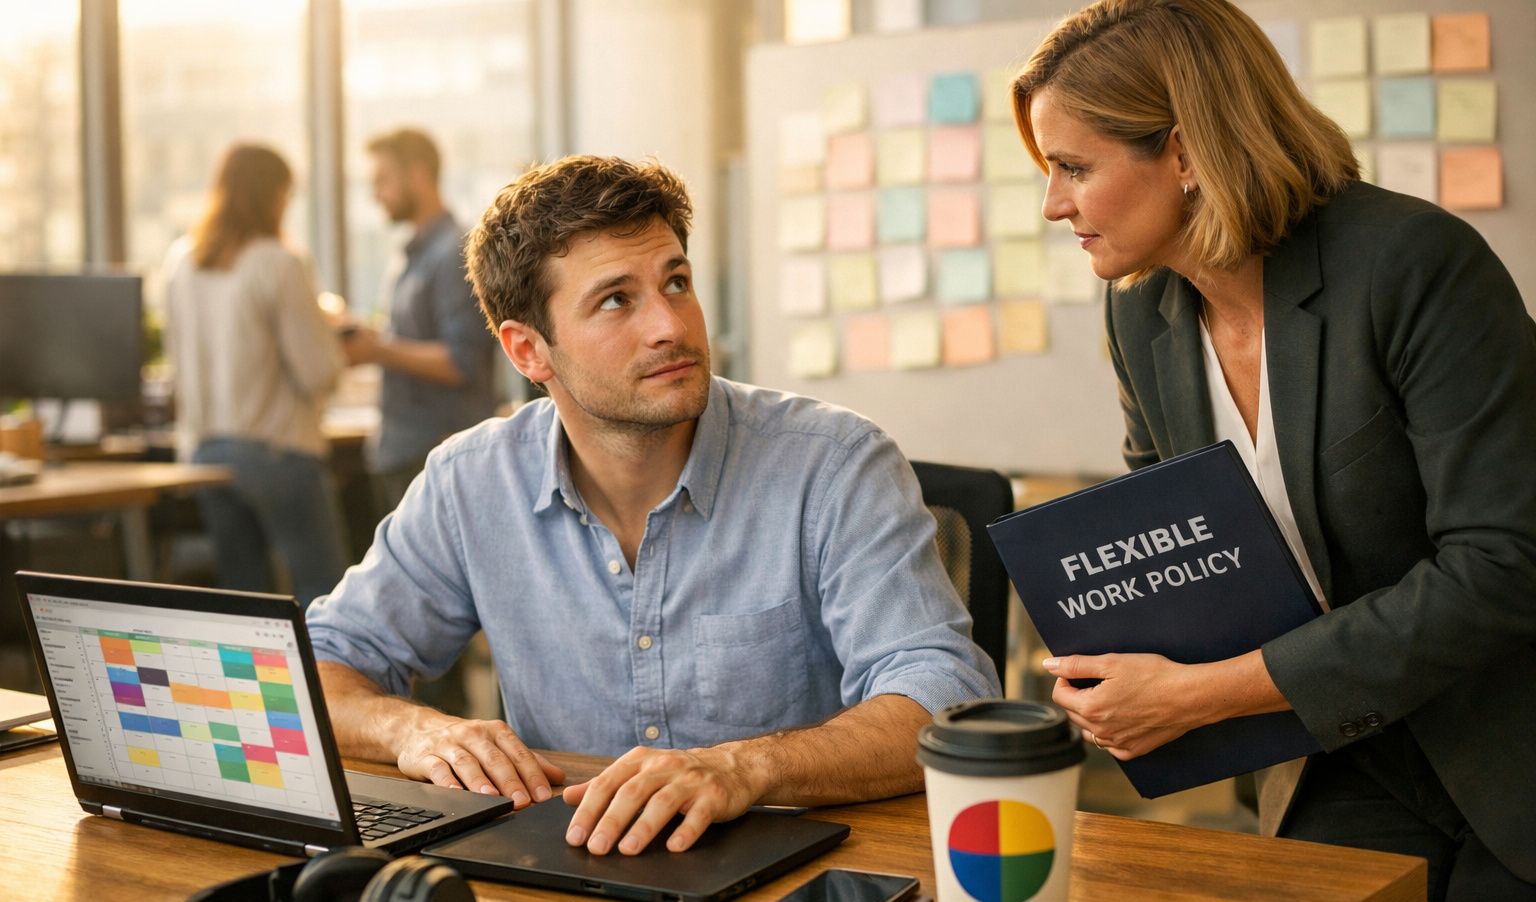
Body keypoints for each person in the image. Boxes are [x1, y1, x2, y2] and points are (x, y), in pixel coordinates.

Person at [1011, 2, 1536, 902]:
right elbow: (1175, 545)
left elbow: (1506, 563)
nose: (1051, 203)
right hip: (1317, 759)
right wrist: (1111, 665)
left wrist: (1201, 693)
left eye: (1074, 167)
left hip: (1499, 760)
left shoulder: (1414, 265)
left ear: (1185, 150)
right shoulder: (1142, 312)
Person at [306, 155, 999, 859]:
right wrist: (414, 731)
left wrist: (743, 766)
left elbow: (943, 697)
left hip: (804, 878)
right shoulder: (470, 483)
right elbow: (318, 670)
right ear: (528, 350)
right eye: (616, 300)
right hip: (574, 878)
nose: (670, 324)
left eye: (676, 282)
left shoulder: (834, 463)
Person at [162, 143, 348, 608]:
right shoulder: (278, 261)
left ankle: (250, 686)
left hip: (204, 454)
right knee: (324, 594)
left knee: (244, 599)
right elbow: (318, 372)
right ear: (273, 195)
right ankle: (326, 685)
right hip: (276, 452)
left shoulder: (180, 263)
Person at [342, 127, 499, 514]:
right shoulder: (409, 255)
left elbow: (461, 362)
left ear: (418, 175)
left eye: (382, 180)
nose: (375, 193)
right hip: (404, 449)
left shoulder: (454, 253)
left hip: (435, 452)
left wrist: (376, 349)